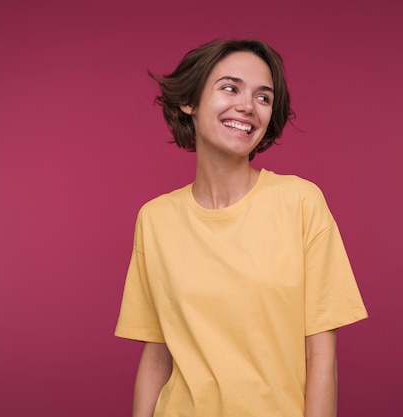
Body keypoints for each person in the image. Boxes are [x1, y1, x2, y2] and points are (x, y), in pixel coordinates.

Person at [115, 38, 368, 417]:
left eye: (263, 98)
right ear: (190, 102)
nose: (248, 106)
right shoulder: (155, 220)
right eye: (230, 88)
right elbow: (157, 355)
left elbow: (321, 354)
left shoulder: (300, 202)